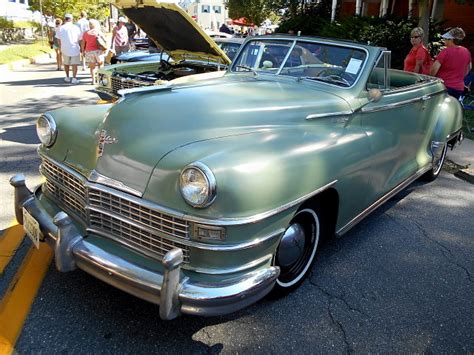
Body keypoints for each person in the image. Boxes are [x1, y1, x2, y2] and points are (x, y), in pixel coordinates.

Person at [430, 27, 472, 99]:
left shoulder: (445, 52)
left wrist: (430, 78)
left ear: (451, 39)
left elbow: (434, 70)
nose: (444, 40)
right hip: (458, 88)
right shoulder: (466, 51)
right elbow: (469, 68)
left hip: (443, 87)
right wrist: (458, 77)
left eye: (446, 39)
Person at [55, 13, 82, 84]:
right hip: (74, 48)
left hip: (64, 48)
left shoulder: (60, 28)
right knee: (74, 64)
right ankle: (74, 78)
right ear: (72, 19)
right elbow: (80, 39)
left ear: (65, 19)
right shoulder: (76, 27)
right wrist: (82, 48)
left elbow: (58, 39)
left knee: (66, 64)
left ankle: (67, 77)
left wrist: (60, 47)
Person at [81, 19, 105, 84]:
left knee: (92, 67)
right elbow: (104, 40)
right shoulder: (98, 32)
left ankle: (93, 80)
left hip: (89, 51)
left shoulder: (86, 33)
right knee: (101, 65)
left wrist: (83, 51)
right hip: (98, 51)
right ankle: (100, 79)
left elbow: (83, 43)